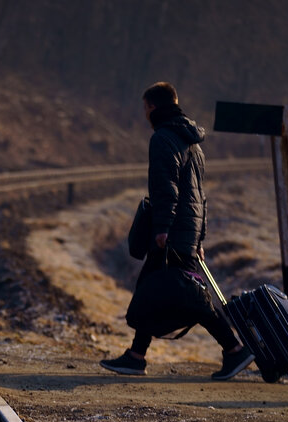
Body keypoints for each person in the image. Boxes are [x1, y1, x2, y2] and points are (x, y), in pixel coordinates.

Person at [100, 82, 255, 380]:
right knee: (155, 288)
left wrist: (162, 228)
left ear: (153, 108)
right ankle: (136, 356)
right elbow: (201, 197)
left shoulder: (163, 139)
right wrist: (200, 236)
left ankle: (235, 350)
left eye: (145, 108)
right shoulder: (193, 146)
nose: (144, 114)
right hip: (187, 231)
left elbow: (166, 188)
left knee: (188, 297)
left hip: (172, 232)